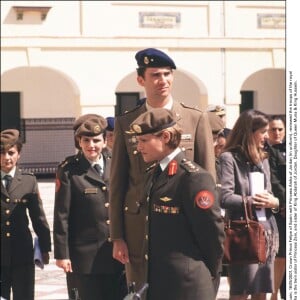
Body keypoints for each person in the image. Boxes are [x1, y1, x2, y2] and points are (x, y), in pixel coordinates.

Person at [109, 47, 217, 293]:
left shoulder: (195, 118)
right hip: (138, 228)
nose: (163, 81)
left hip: (182, 227)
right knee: (143, 291)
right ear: (141, 80)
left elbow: (209, 177)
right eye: (156, 75)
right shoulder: (127, 122)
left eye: (168, 74)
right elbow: (118, 183)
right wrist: (117, 236)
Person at [127, 108, 224, 299]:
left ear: (165, 136)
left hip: (187, 285)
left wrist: (208, 275)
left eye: (144, 140)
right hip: (160, 284)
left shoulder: (192, 178)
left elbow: (212, 235)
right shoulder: (153, 173)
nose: (139, 147)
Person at [53, 115, 124, 300]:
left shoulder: (116, 162)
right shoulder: (69, 170)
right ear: (79, 141)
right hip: (84, 257)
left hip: (116, 253)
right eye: (86, 140)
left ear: (104, 140)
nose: (91, 145)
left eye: (96, 140)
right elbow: (62, 215)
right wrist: (62, 254)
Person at [219, 109, 279, 300]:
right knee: (242, 291)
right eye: (263, 132)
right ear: (249, 131)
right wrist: (253, 201)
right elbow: (225, 197)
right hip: (244, 233)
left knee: (262, 292)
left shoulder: (263, 158)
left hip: (267, 231)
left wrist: (273, 202)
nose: (266, 136)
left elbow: (269, 192)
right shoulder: (229, 158)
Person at [1, 129, 51, 300]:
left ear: (19, 154)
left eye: (11, 153)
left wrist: (45, 247)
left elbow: (39, 218)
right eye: (2, 153)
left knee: (24, 296)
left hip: (22, 253)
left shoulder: (29, 181)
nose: (6, 157)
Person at [267, 115, 286, 300]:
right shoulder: (266, 151)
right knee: (279, 255)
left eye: (280, 129)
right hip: (278, 211)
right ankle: (272, 296)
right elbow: (274, 181)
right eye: (273, 129)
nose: (277, 132)